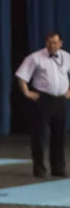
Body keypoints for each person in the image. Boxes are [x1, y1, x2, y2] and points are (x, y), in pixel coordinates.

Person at [15, 31, 70, 178]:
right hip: (43, 100)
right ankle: (40, 170)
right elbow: (21, 75)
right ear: (46, 43)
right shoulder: (35, 57)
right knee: (40, 136)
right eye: (50, 42)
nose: (52, 45)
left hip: (60, 100)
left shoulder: (66, 57)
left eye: (55, 42)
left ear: (60, 43)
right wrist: (27, 92)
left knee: (59, 136)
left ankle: (58, 168)